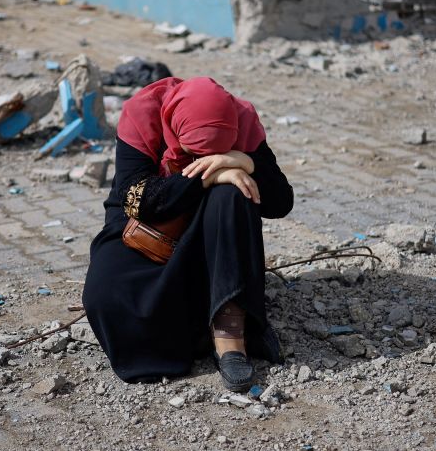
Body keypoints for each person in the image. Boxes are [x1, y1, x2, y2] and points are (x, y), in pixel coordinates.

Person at [83, 77, 293, 391]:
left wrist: (244, 161)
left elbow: (281, 202)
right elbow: (135, 197)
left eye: (208, 157)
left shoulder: (243, 120)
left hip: (215, 230)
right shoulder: (144, 113)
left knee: (235, 193)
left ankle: (229, 337)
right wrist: (204, 177)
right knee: (103, 294)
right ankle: (188, 331)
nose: (199, 162)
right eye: (192, 153)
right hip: (143, 225)